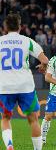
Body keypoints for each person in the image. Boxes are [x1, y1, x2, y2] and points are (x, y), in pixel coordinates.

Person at [0, 13, 49, 150]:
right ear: (20, 27)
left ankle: (10, 145)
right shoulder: (27, 41)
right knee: (33, 119)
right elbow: (45, 60)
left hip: (4, 86)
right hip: (25, 86)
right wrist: (43, 67)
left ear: (5, 27)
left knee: (5, 118)